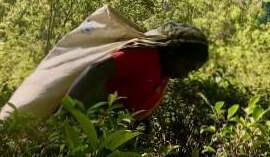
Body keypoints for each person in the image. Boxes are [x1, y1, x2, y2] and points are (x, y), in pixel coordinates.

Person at [65, 22, 209, 120]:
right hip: (83, 117)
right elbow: (95, 70)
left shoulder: (163, 73)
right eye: (186, 67)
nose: (185, 75)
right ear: (172, 53)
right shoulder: (142, 56)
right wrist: (65, 111)